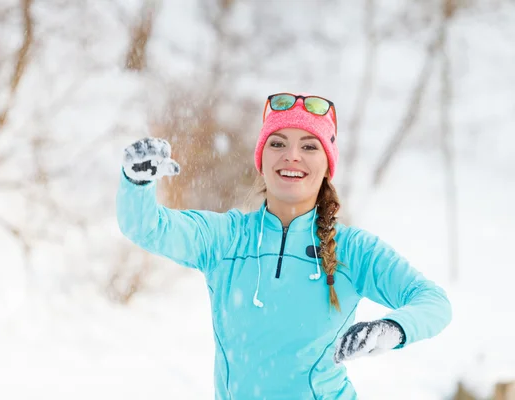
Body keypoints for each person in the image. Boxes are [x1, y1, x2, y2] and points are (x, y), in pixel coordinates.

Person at [116, 92, 452, 399]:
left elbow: (433, 302)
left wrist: (391, 329)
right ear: (261, 159)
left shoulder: (353, 249)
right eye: (277, 144)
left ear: (327, 165)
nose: (292, 156)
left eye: (309, 146)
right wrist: (136, 182)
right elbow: (147, 227)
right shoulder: (227, 238)